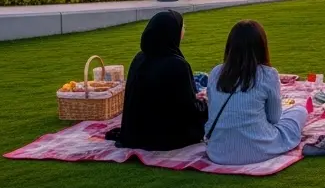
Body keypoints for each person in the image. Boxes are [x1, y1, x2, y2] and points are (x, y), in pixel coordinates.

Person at [205, 20, 312, 165]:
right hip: (258, 149)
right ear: (261, 46)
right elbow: (274, 118)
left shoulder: (216, 72)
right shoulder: (268, 74)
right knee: (299, 111)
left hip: (218, 152)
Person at [107, 10, 206, 151]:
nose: (184, 30)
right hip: (166, 137)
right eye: (182, 27)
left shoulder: (139, 59)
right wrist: (205, 104)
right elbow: (189, 110)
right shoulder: (177, 65)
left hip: (136, 133)